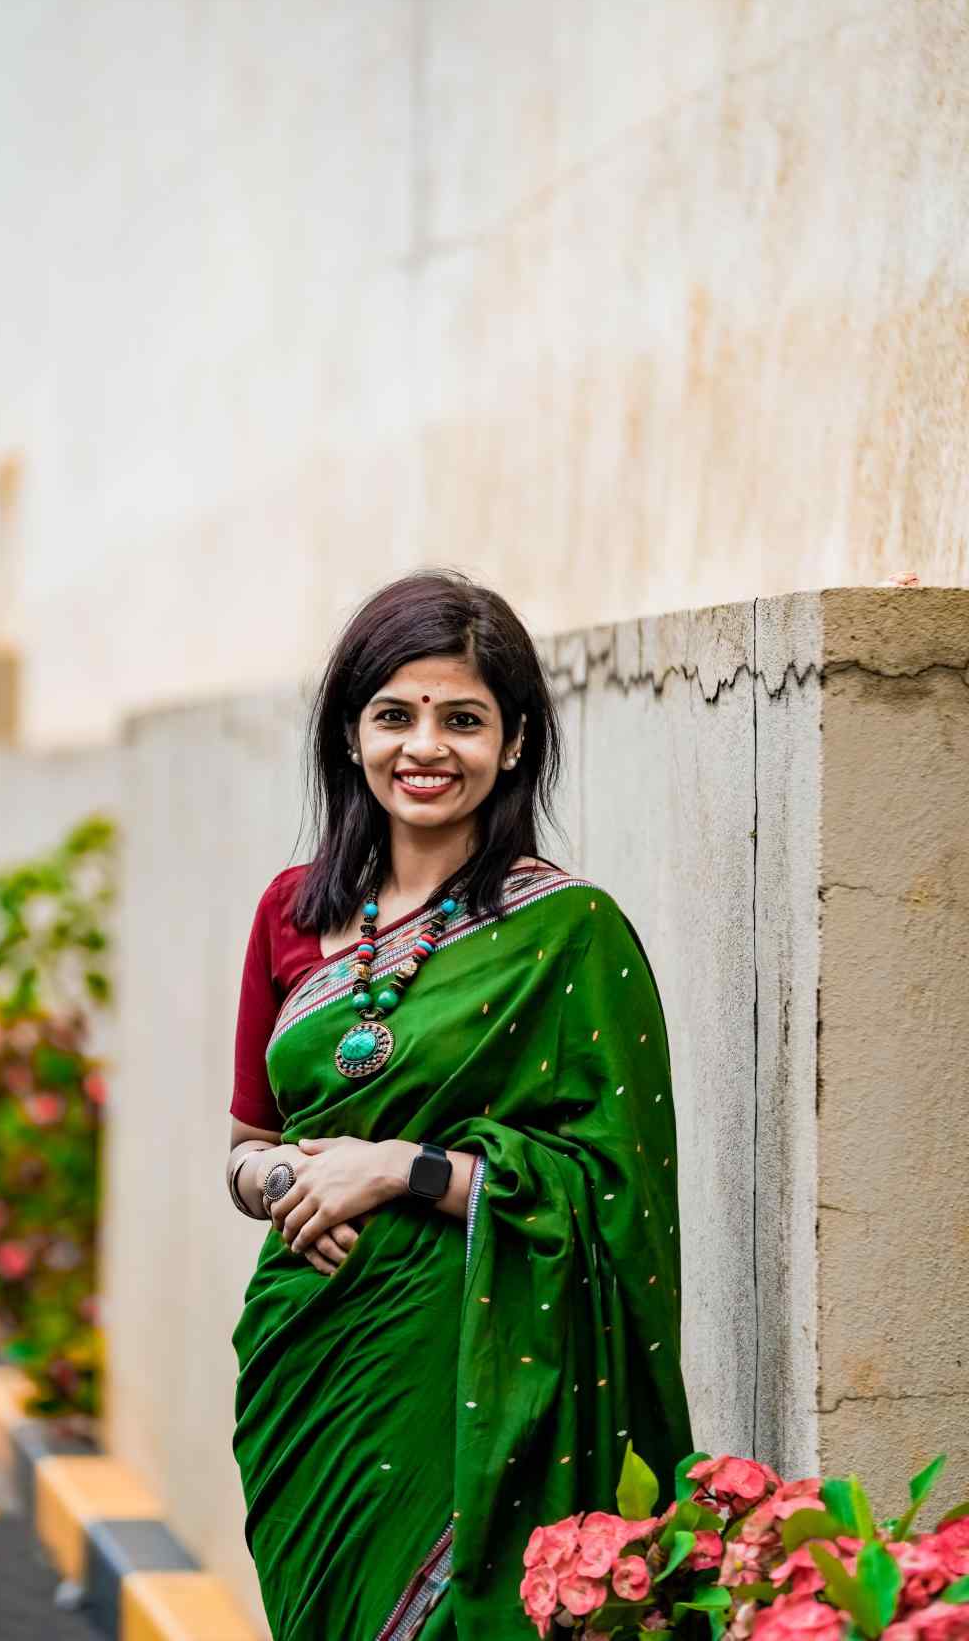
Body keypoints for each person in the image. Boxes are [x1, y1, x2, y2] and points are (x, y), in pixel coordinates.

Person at [227, 568, 692, 1640]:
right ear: (352, 735)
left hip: (487, 1374)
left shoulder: (569, 933)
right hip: (314, 1362)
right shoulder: (292, 914)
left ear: (514, 741)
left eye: (463, 718)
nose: (424, 746)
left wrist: (398, 1166)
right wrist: (291, 1176)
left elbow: (616, 1193)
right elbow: (249, 1147)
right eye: (394, 713)